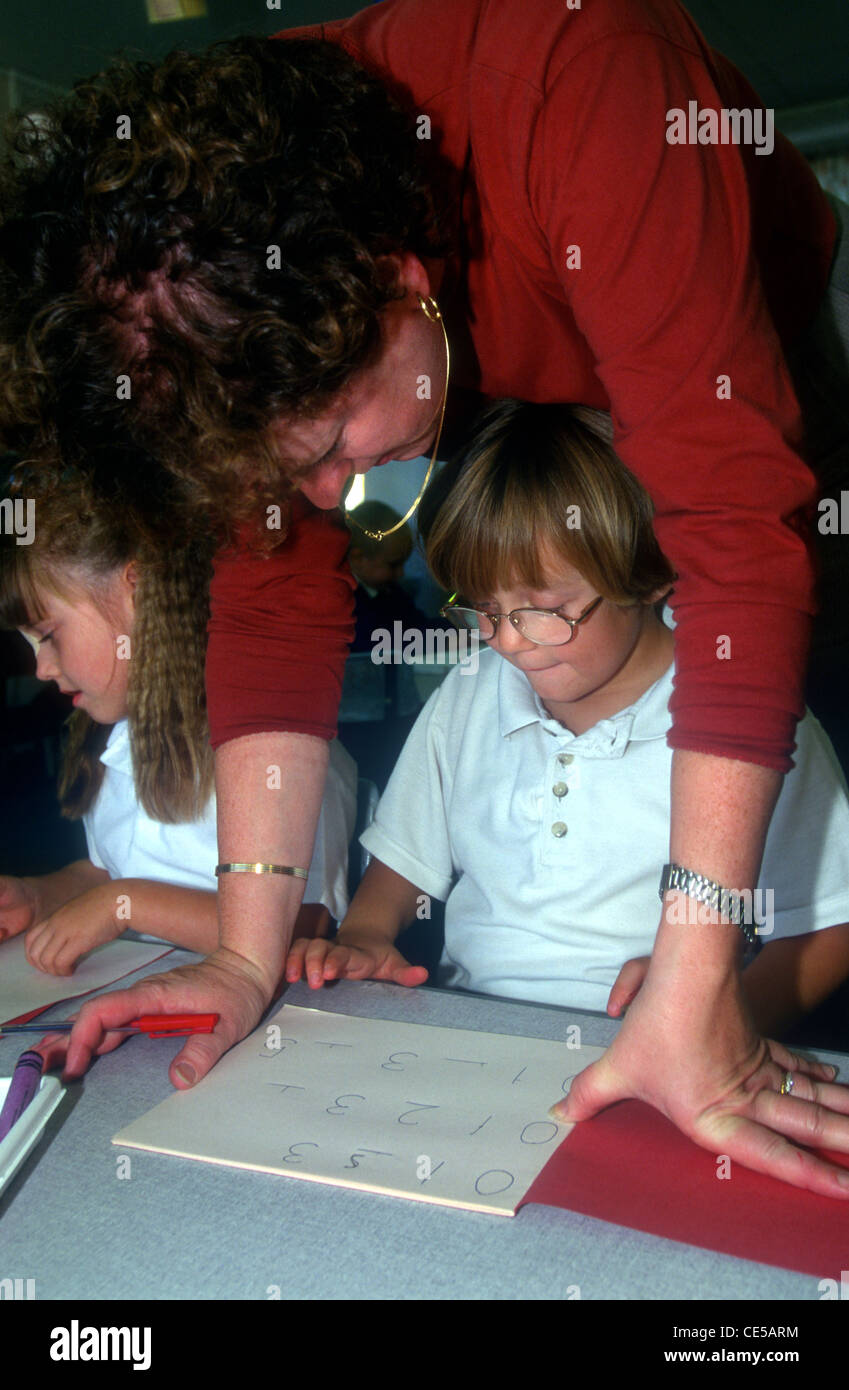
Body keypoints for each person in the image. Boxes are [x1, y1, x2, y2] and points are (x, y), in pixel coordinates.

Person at [1, 1, 848, 1195]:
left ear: (397, 283)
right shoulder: (213, 290)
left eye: (333, 447)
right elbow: (276, 596)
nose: (330, 497)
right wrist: (248, 956)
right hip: (459, 336)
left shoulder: (585, 79)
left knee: (786, 667)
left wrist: (698, 978)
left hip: (754, 312)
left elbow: (737, 534)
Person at [286, 400, 849, 1049]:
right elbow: (402, 859)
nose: (508, 642)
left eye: (545, 608)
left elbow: (829, 926)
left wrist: (720, 1016)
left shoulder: (748, 718)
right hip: (471, 1031)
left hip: (657, 1044)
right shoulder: (470, 692)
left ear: (648, 575)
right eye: (485, 608)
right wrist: (363, 936)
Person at [0, 459, 356, 972]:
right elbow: (111, 873)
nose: (41, 667)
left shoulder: (272, 747)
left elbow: (307, 927)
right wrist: (43, 896)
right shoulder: (114, 738)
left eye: (49, 634)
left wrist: (126, 904)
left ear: (137, 588)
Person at [339, 500, 451, 788]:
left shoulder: (388, 592)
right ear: (358, 558)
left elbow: (416, 628)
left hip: (391, 712)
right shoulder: (341, 601)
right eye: (393, 564)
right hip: (355, 725)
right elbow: (389, 639)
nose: (401, 573)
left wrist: (460, 627)